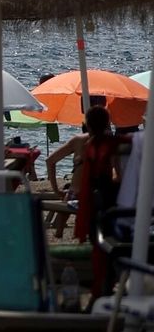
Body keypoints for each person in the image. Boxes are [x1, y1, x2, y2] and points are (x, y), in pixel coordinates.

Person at [49, 102, 122, 289]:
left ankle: (60, 240)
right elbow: (118, 175)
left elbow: (50, 160)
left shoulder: (77, 141)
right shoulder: (111, 144)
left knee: (71, 204)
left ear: (86, 124)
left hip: (76, 196)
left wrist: (56, 189)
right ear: (107, 124)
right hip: (103, 198)